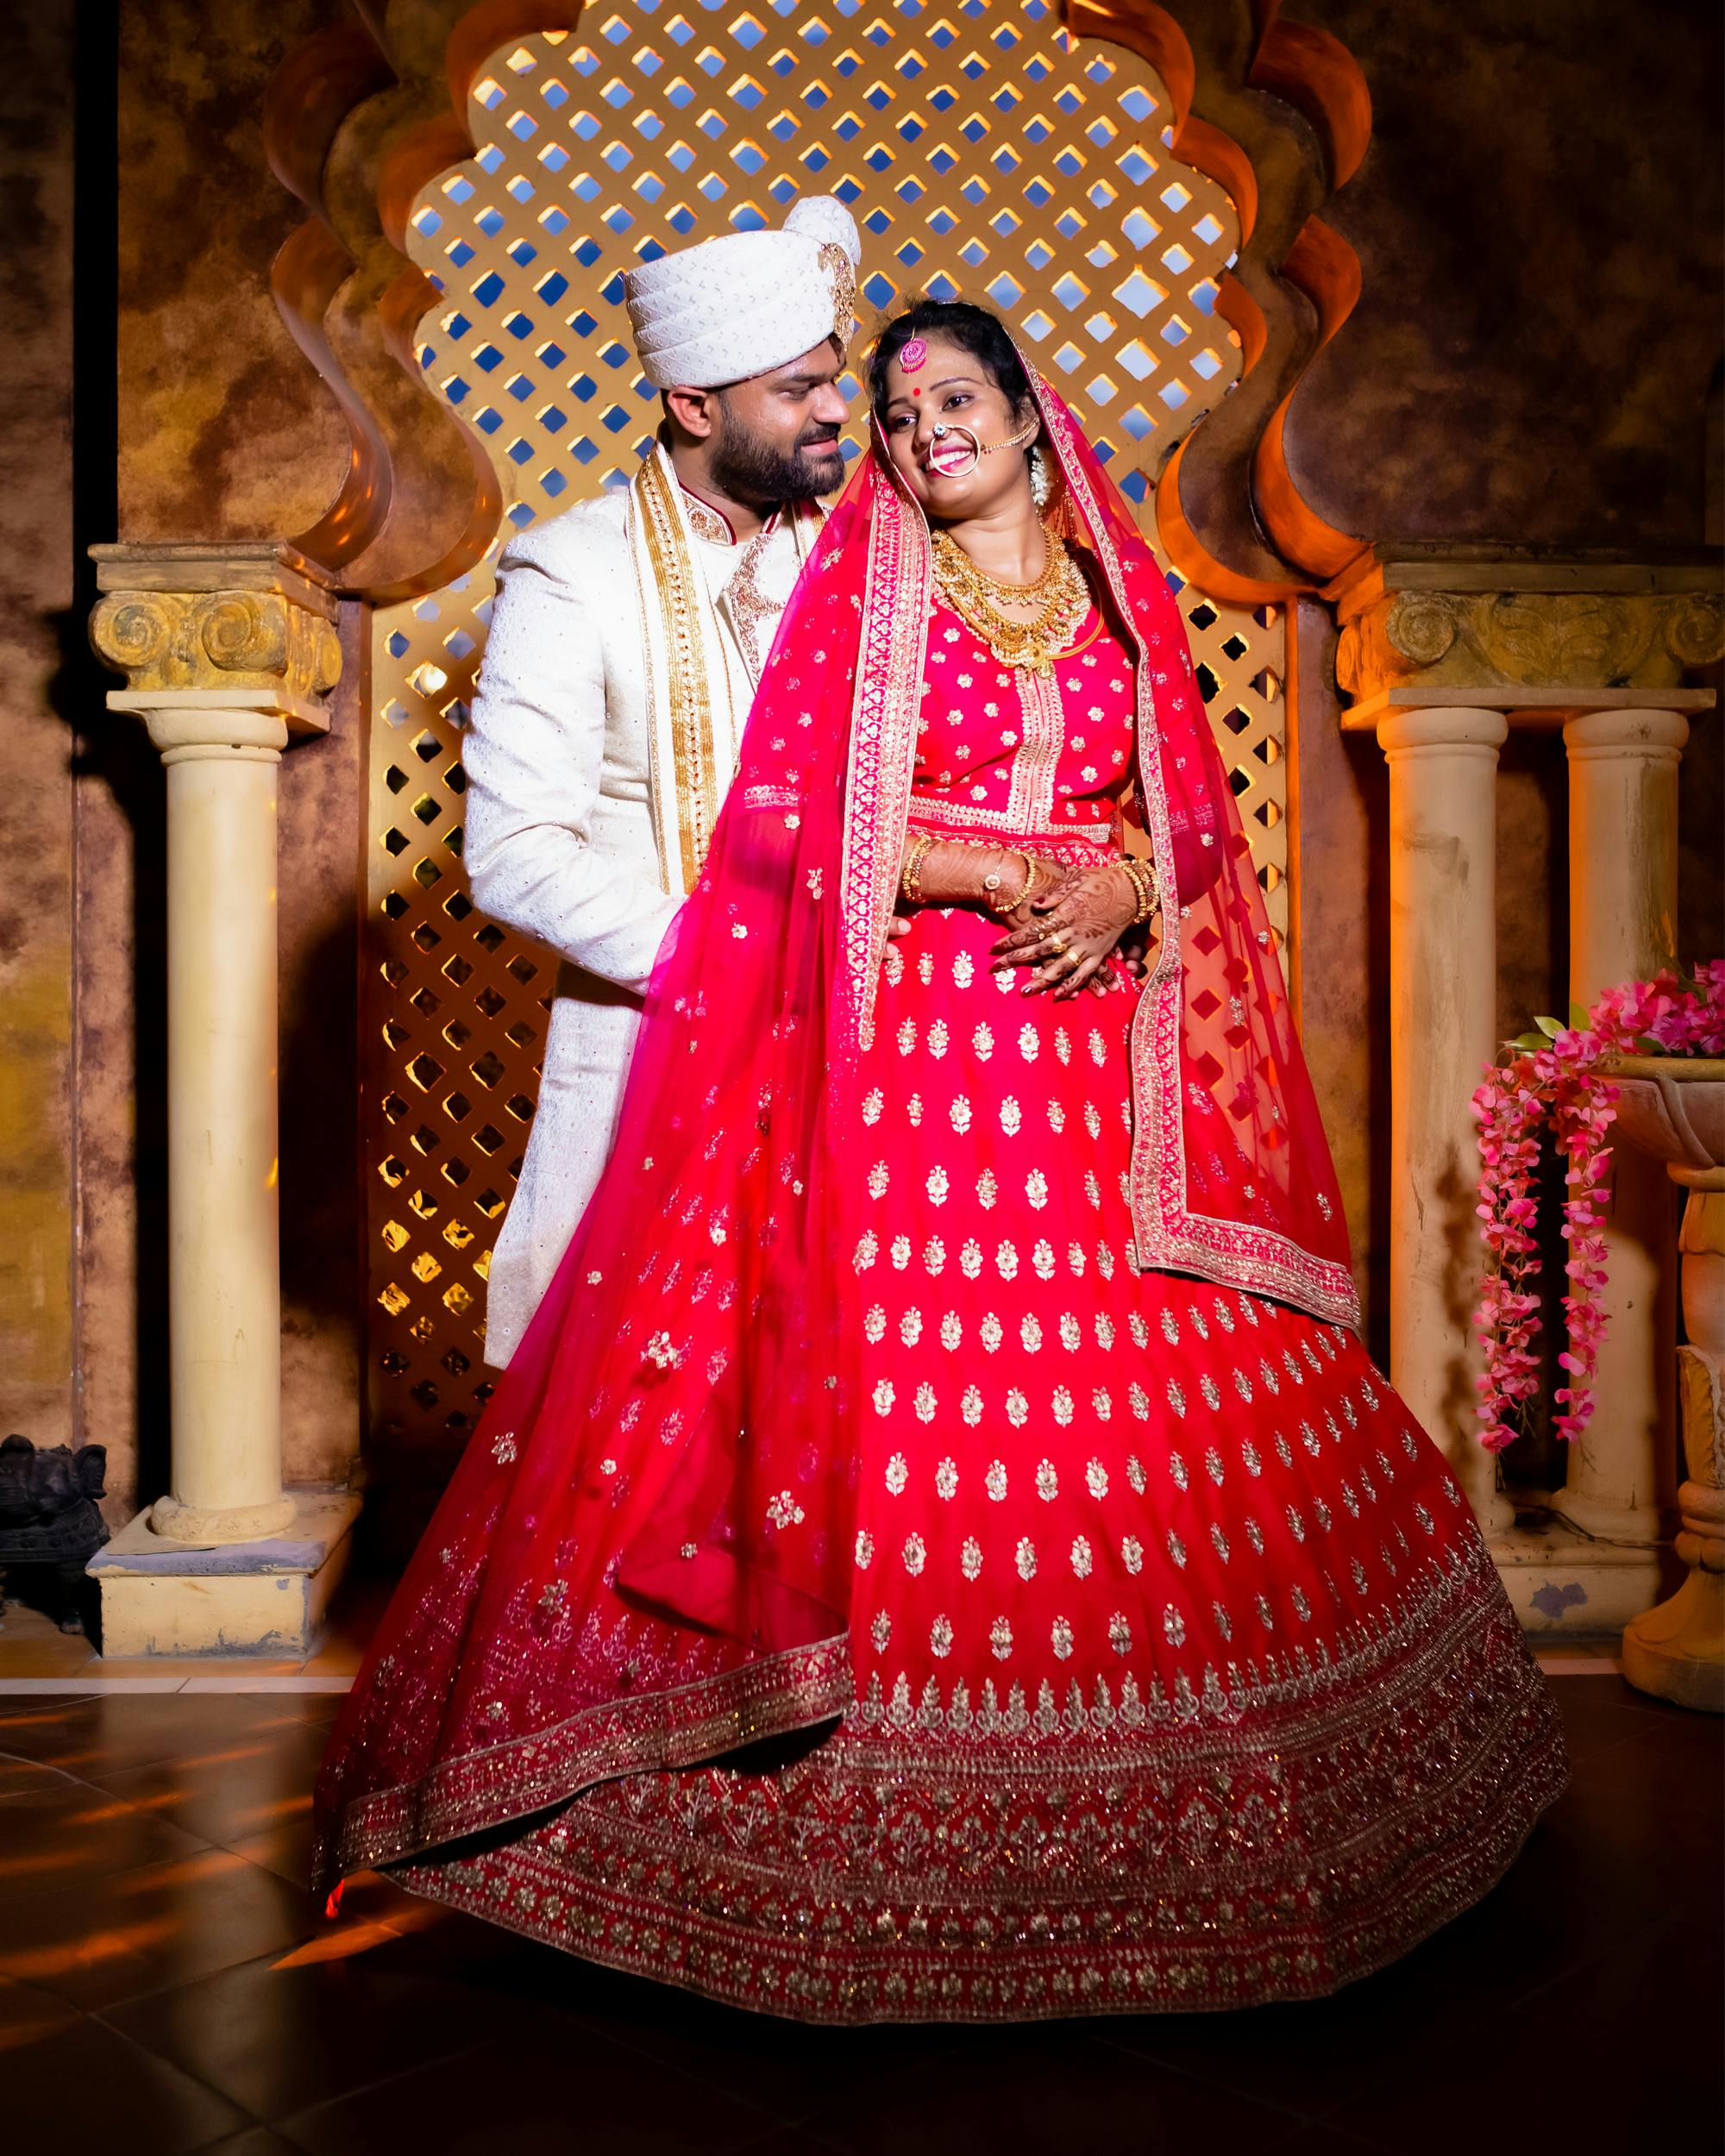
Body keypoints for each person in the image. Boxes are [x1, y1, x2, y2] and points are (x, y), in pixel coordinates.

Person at [315, 299, 1568, 2022]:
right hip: (920, 1071)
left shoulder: (1124, 600)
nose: (919, 436)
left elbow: (1185, 814)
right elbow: (791, 825)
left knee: (1159, 1430)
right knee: (882, 1420)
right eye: (895, 419)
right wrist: (990, 875)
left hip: (1104, 1089)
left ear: (1035, 423)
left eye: (953, 402)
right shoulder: (866, 592)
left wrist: (1128, 882)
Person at [463, 195, 860, 1366]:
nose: (837, 407)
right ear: (694, 406)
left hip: (858, 1061)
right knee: (641, 1439)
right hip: (658, 1043)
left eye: (833, 377)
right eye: (799, 389)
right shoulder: (570, 573)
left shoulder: (857, 561)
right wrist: (727, 961)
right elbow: (513, 852)